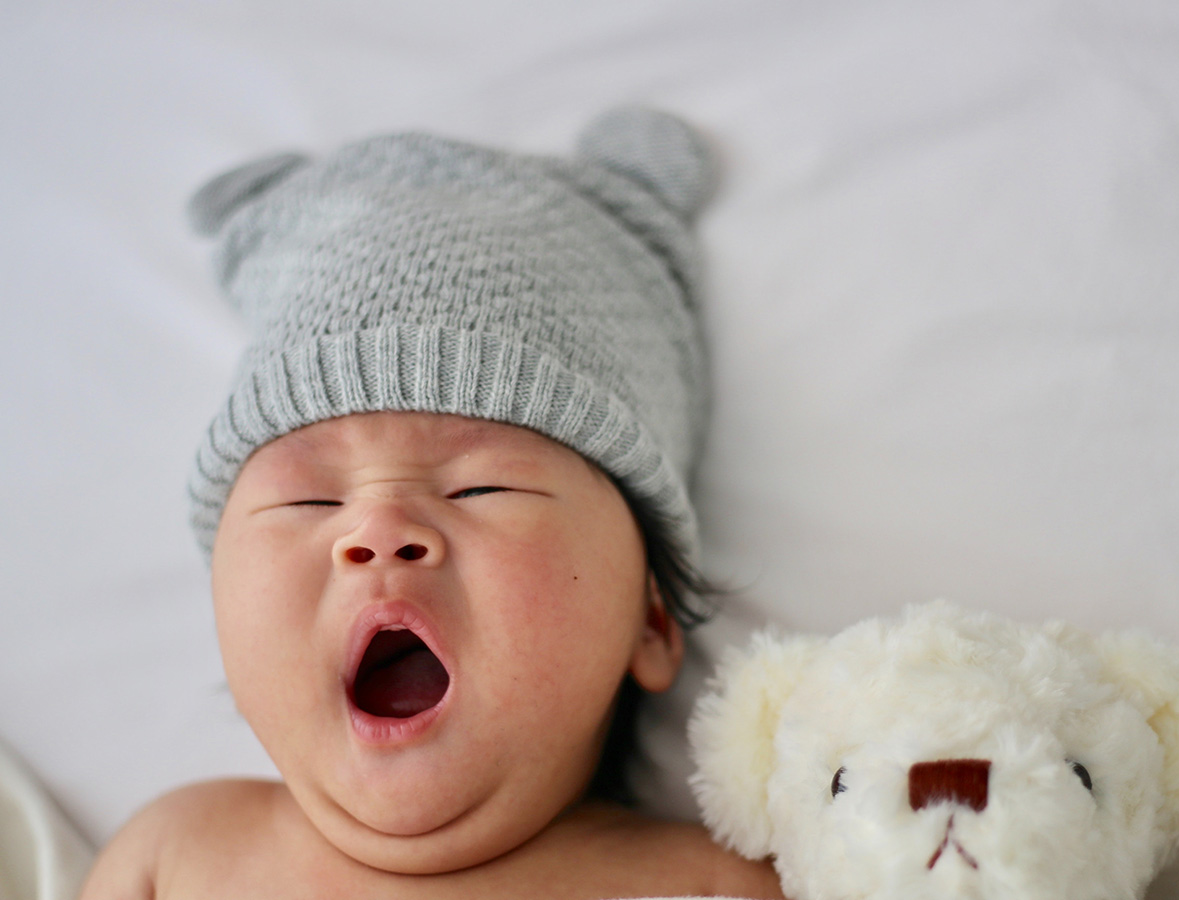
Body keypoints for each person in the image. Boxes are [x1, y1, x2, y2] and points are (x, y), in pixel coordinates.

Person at [80, 107, 785, 899]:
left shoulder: (711, 885)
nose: (378, 528)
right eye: (309, 500)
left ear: (649, 620)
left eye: (479, 487)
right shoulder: (175, 857)